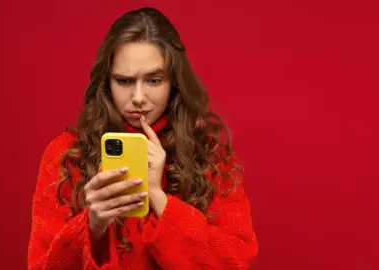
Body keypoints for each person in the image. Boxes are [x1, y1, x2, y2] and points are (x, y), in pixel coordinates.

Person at [28, 7, 258, 270]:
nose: (138, 97)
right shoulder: (67, 155)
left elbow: (234, 262)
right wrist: (92, 225)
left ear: (173, 82)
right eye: (125, 81)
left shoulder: (210, 155)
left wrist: (159, 199)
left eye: (154, 80)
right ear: (107, 83)